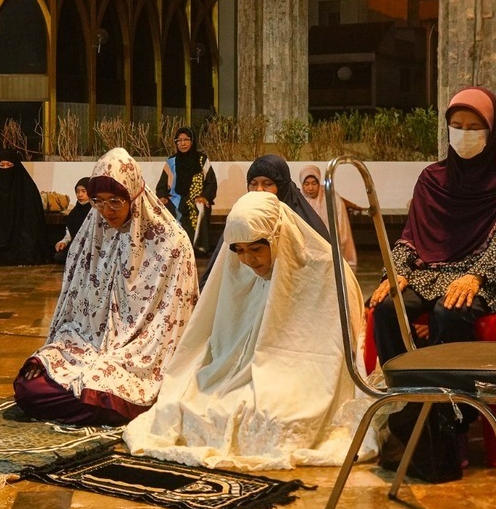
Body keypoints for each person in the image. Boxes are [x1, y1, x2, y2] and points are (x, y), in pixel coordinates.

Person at [123, 190, 371, 470]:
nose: (248, 260)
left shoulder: (324, 269)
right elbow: (223, 330)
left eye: (256, 249)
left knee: (277, 417)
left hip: (302, 373)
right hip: (242, 369)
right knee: (188, 404)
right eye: (239, 250)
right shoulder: (236, 268)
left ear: (278, 237)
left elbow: (328, 350)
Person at [13, 148, 198, 426]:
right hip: (85, 348)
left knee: (114, 394)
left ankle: (100, 400)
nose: (106, 211)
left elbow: (171, 324)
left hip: (137, 357)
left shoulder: (171, 244)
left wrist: (117, 357)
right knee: (29, 388)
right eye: (98, 202)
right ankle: (92, 399)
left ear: (134, 195)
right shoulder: (91, 237)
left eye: (115, 201)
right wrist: (54, 355)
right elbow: (72, 311)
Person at [369, 87, 496, 365]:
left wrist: (476, 276)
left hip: (483, 276)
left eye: (473, 127)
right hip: (429, 271)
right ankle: (404, 396)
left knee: (451, 310)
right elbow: (410, 237)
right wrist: (395, 273)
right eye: (456, 126)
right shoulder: (432, 178)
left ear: (491, 130)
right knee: (388, 306)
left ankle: (455, 405)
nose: (464, 133)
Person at [198, 154, 329, 287]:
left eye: (267, 184)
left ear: (282, 186)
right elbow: (216, 274)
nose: (259, 190)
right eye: (253, 184)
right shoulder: (242, 220)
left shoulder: (301, 222)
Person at [0, 148, 52, 266]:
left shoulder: (27, 188)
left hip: (20, 239)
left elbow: (33, 220)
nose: (6, 169)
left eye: (9, 165)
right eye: (2, 165)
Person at [156, 126, 217, 253]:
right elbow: (162, 185)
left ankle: (198, 249)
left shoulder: (202, 160)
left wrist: (204, 196)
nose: (182, 143)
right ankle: (173, 248)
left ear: (192, 141)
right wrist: (162, 197)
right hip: (175, 198)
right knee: (166, 209)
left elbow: (211, 183)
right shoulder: (171, 162)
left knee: (201, 207)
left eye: (186, 139)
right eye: (179, 140)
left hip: (196, 198)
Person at [300, 165, 357, 267]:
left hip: (331, 246)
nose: (310, 188)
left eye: (314, 183)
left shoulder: (330, 197)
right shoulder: (298, 199)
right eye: (307, 184)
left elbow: (341, 225)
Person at [53, 177, 92, 264]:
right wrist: (63, 242)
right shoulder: (74, 213)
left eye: (83, 191)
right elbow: (69, 235)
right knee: (58, 256)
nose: (80, 195)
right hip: (76, 246)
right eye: (77, 191)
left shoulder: (95, 211)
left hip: (91, 247)